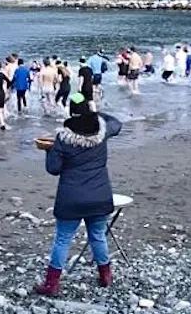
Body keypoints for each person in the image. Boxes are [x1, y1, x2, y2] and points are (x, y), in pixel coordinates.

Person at [34, 93, 123, 296]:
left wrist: (49, 151)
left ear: (71, 113)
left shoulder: (63, 138)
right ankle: (105, 275)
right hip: (100, 196)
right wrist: (94, 112)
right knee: (98, 236)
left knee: (63, 239)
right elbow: (116, 123)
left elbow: (54, 169)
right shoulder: (103, 131)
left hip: (71, 199)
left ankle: (52, 284)